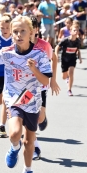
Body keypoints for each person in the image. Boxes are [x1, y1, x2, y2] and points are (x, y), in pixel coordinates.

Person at [0, 15, 52, 173]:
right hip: (14, 98)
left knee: (29, 142)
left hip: (32, 99)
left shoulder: (40, 55)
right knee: (14, 133)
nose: (19, 35)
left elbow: (45, 80)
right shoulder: (7, 53)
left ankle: (27, 171)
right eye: (15, 31)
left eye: (23, 31)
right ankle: (14, 147)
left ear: (31, 32)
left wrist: (34, 69)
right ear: (11, 34)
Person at [29, 15, 60, 160]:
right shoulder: (18, 43)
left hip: (40, 85)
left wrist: (53, 80)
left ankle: (43, 118)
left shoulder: (44, 45)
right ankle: (35, 147)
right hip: (24, 87)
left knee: (39, 118)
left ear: (36, 29)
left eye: (32, 28)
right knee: (30, 118)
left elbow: (53, 59)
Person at [55, 24, 82, 96]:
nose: (76, 32)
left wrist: (80, 57)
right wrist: (56, 56)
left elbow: (78, 49)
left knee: (71, 72)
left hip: (72, 59)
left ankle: (69, 89)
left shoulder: (78, 41)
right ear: (70, 31)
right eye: (74, 30)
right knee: (63, 77)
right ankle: (66, 76)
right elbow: (57, 47)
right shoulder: (65, 40)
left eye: (77, 30)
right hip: (64, 59)